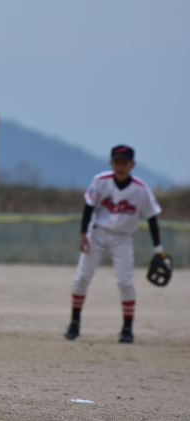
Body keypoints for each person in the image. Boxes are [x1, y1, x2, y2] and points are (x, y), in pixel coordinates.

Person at [64, 145, 163, 344]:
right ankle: (74, 323)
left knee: (125, 282)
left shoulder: (141, 189)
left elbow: (152, 218)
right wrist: (83, 234)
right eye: (117, 162)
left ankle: (127, 329)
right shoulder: (101, 181)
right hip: (97, 234)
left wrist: (158, 249)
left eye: (125, 162)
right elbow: (88, 207)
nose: (121, 166)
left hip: (123, 239)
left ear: (132, 165)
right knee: (81, 278)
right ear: (111, 163)